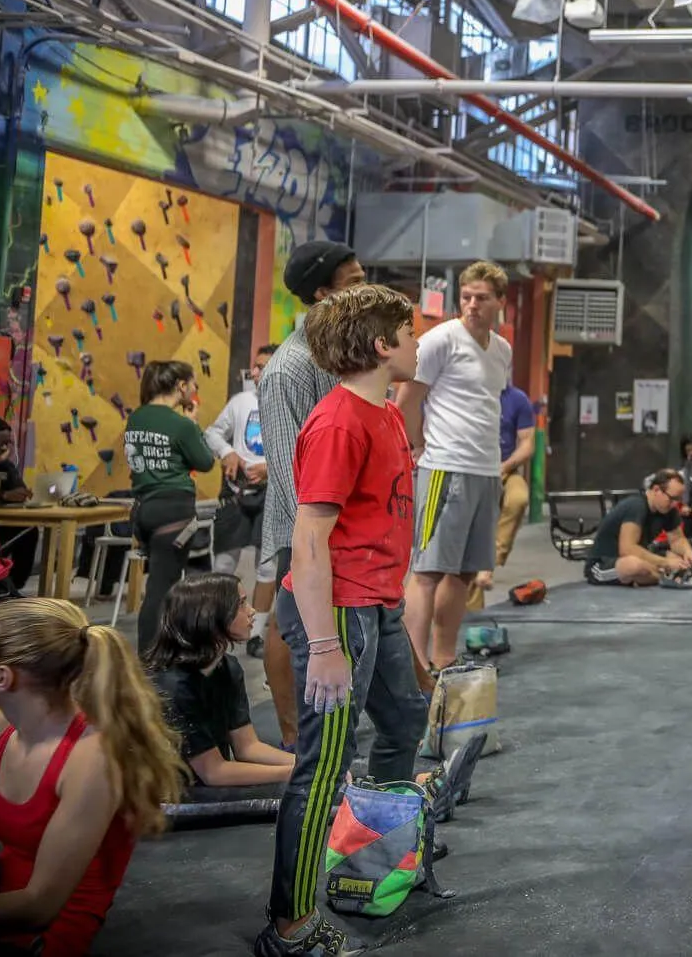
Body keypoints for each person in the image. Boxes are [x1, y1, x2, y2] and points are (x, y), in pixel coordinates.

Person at [260, 283, 428, 957]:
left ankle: (375, 859)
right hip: (338, 613)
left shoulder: (384, 413)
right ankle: (290, 925)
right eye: (409, 333)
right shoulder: (337, 423)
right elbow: (308, 539)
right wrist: (326, 643)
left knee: (405, 719)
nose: (417, 343)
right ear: (383, 346)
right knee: (323, 766)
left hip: (376, 605)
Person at [0, 597, 181, 953]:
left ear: (4, 677)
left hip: (51, 922)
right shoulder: (1, 723)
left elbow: (39, 905)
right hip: (6, 890)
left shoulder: (93, 759)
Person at [257, 240, 367, 744]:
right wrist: (318, 528)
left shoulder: (338, 356)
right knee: (289, 619)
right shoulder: (289, 369)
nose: (365, 288)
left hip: (337, 519)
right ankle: (290, 736)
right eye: (354, 282)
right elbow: (286, 468)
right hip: (301, 524)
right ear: (323, 294)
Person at [398, 260, 512, 673]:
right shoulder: (440, 340)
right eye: (466, 297)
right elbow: (407, 399)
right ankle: (412, 663)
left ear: (500, 301)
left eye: (481, 298)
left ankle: (443, 656)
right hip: (444, 465)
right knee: (428, 569)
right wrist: (414, 446)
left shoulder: (502, 350)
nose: (472, 305)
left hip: (485, 470)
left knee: (464, 572)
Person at [142, 573, 293, 796]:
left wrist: (310, 765)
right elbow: (213, 772)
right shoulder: (172, 687)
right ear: (209, 616)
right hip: (170, 796)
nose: (252, 611)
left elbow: (247, 747)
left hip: (206, 783)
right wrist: (295, 772)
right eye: (241, 604)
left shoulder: (227, 667)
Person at [122, 360, 219, 649]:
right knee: (163, 590)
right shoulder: (180, 425)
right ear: (181, 386)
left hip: (144, 510)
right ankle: (151, 660)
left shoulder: (136, 418)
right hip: (174, 511)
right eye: (194, 385)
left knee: (161, 584)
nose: (195, 390)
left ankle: (165, 650)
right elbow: (204, 462)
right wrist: (193, 424)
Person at [204, 343, 276, 578]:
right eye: (254, 367)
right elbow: (212, 433)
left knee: (266, 567)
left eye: (260, 367)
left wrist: (271, 469)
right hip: (236, 491)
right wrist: (227, 452)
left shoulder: (291, 404)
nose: (253, 373)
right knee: (223, 564)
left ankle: (259, 617)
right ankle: (221, 615)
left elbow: (302, 452)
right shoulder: (240, 401)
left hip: (272, 495)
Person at [465, 385, 535, 612]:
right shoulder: (468, 394)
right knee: (472, 542)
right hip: (472, 472)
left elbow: (527, 443)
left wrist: (505, 466)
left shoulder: (517, 398)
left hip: (505, 470)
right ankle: (471, 619)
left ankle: (491, 563)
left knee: (518, 498)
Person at [584, 473, 692, 587]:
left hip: (636, 557)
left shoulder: (668, 509)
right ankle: (664, 575)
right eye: (672, 498)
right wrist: (666, 563)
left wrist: (688, 552)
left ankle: (657, 575)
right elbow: (627, 549)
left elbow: (677, 539)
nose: (675, 504)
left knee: (673, 558)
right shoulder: (636, 506)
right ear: (656, 490)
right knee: (634, 566)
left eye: (678, 499)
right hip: (603, 564)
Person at [0, 417, 37, 597]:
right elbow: (3, 494)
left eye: (7, 443)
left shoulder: (6, 465)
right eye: (0, 443)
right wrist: (2, 496)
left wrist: (21, 493)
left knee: (29, 530)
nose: (4, 448)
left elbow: (17, 488)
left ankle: (13, 586)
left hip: (1, 525)